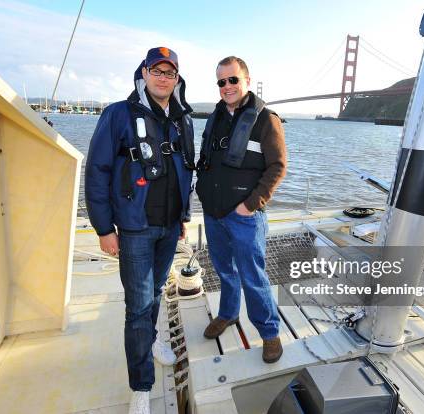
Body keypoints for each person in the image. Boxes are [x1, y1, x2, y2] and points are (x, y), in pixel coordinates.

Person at [85, 47, 194, 414]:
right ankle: (141, 386)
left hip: (168, 226)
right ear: (144, 74)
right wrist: (103, 227)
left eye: (170, 72)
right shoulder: (119, 113)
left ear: (176, 78)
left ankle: (149, 342)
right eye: (157, 70)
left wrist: (182, 217)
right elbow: (97, 170)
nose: (164, 77)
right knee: (137, 306)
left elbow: (185, 172)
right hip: (133, 228)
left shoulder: (182, 120)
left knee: (157, 291)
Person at [196, 56, 287, 363]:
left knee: (253, 276)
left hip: (245, 216)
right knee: (224, 270)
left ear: (247, 80)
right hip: (214, 213)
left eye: (233, 80)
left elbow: (277, 167)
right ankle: (228, 314)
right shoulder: (215, 117)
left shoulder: (265, 119)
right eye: (221, 82)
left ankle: (270, 333)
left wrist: (250, 205)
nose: (227, 87)